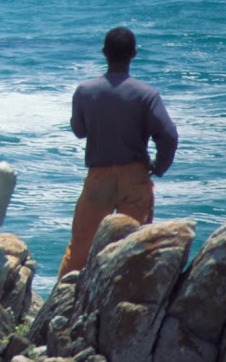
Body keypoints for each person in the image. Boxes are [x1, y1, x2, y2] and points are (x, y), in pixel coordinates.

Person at [57, 26, 179, 278]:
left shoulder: (85, 91)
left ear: (104, 52)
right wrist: (159, 167)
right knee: (134, 248)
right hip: (135, 177)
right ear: (134, 54)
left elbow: (79, 131)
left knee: (81, 246)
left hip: (98, 177)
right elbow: (168, 135)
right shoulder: (147, 94)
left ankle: (64, 295)